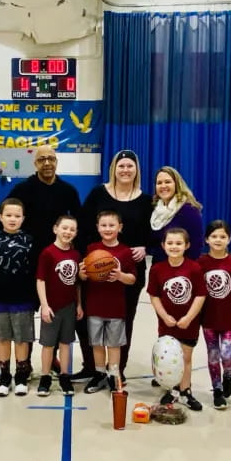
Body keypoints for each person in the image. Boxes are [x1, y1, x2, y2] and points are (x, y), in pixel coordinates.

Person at [78, 150, 152, 380]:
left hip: (129, 269)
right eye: (121, 166)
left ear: (136, 169)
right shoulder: (98, 193)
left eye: (130, 166)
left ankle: (116, 371)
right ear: (114, 169)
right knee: (91, 319)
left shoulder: (146, 200)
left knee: (124, 320)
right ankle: (93, 367)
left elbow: (155, 232)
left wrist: (146, 246)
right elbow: (82, 226)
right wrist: (86, 261)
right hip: (96, 268)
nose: (125, 170)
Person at [0, 198, 37, 397]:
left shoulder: (30, 242)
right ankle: (5, 377)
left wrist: (36, 301)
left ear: (23, 218)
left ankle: (21, 376)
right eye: (9, 215)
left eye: (17, 216)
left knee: (22, 339)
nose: (13, 219)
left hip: (23, 300)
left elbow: (35, 273)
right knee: (3, 338)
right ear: (0, 217)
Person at [149, 227, 206, 411]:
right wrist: (164, 316)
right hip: (167, 323)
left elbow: (200, 295)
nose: (174, 247)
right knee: (168, 357)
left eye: (179, 243)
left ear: (187, 245)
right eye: (170, 243)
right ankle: (171, 389)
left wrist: (189, 317)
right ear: (163, 245)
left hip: (188, 323)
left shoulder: (195, 268)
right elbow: (154, 296)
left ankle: (185, 390)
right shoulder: (157, 269)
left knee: (186, 357)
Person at [81, 210, 137, 394]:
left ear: (120, 228)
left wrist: (120, 276)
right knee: (97, 343)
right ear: (97, 228)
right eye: (103, 225)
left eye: (111, 225)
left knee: (113, 344)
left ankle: (114, 374)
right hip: (94, 305)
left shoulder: (125, 251)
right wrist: (82, 273)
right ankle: (99, 375)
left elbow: (132, 279)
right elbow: (84, 275)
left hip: (116, 307)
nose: (107, 229)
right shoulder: (91, 249)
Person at [3, 145, 81, 258]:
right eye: (42, 159)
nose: (47, 163)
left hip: (59, 252)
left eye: (51, 159)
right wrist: (11, 241)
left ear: (56, 162)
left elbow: (79, 221)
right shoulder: (22, 189)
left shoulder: (69, 191)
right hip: (27, 253)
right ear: (35, 164)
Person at [198, 220, 231, 411]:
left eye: (223, 236)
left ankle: (229, 374)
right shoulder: (200, 263)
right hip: (208, 319)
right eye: (214, 236)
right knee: (213, 356)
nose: (218, 240)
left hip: (228, 319)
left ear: (229, 239)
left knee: (226, 354)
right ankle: (217, 391)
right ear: (207, 239)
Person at [36, 215, 82, 397]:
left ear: (76, 233)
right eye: (64, 228)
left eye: (72, 229)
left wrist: (79, 304)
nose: (68, 232)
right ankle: (45, 377)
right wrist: (44, 305)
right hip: (52, 307)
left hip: (69, 307)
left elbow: (77, 283)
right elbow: (41, 280)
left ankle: (64, 376)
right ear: (55, 229)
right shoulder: (47, 253)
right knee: (48, 344)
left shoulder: (76, 254)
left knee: (66, 343)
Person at [148, 166, 203, 262]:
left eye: (168, 182)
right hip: (159, 268)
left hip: (182, 271)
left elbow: (196, 246)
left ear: (177, 184)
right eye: (159, 183)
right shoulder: (155, 211)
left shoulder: (189, 210)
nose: (163, 186)